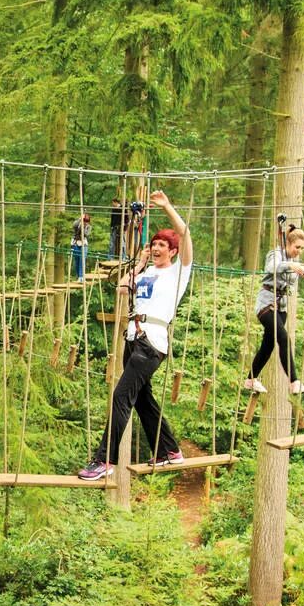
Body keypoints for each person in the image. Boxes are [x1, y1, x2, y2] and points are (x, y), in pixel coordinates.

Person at [78, 190, 193, 480]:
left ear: (173, 251)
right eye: (154, 244)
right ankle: (169, 451)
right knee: (143, 401)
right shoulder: (144, 273)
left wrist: (167, 206)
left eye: (162, 245)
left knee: (120, 396)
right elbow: (121, 288)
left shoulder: (178, 272)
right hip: (133, 340)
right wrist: (139, 264)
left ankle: (105, 460)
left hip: (151, 341)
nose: (156, 248)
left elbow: (186, 234)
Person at [244, 226, 304, 395]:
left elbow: (290, 284)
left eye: (302, 248)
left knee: (268, 345)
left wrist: (299, 271)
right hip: (266, 305)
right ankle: (294, 381)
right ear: (288, 243)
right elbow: (273, 268)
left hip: (281, 308)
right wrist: (291, 266)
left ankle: (251, 379)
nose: (299, 251)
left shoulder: (295, 262)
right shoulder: (276, 254)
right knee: (284, 338)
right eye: (297, 247)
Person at [71, 213, 91, 280]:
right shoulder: (78, 224)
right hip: (76, 243)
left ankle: (81, 276)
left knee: (82, 260)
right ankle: (78, 275)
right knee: (76, 260)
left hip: (83, 244)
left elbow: (86, 234)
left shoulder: (88, 227)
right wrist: (80, 219)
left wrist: (83, 227)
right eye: (85, 221)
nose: (86, 223)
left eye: (87, 222)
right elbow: (73, 225)